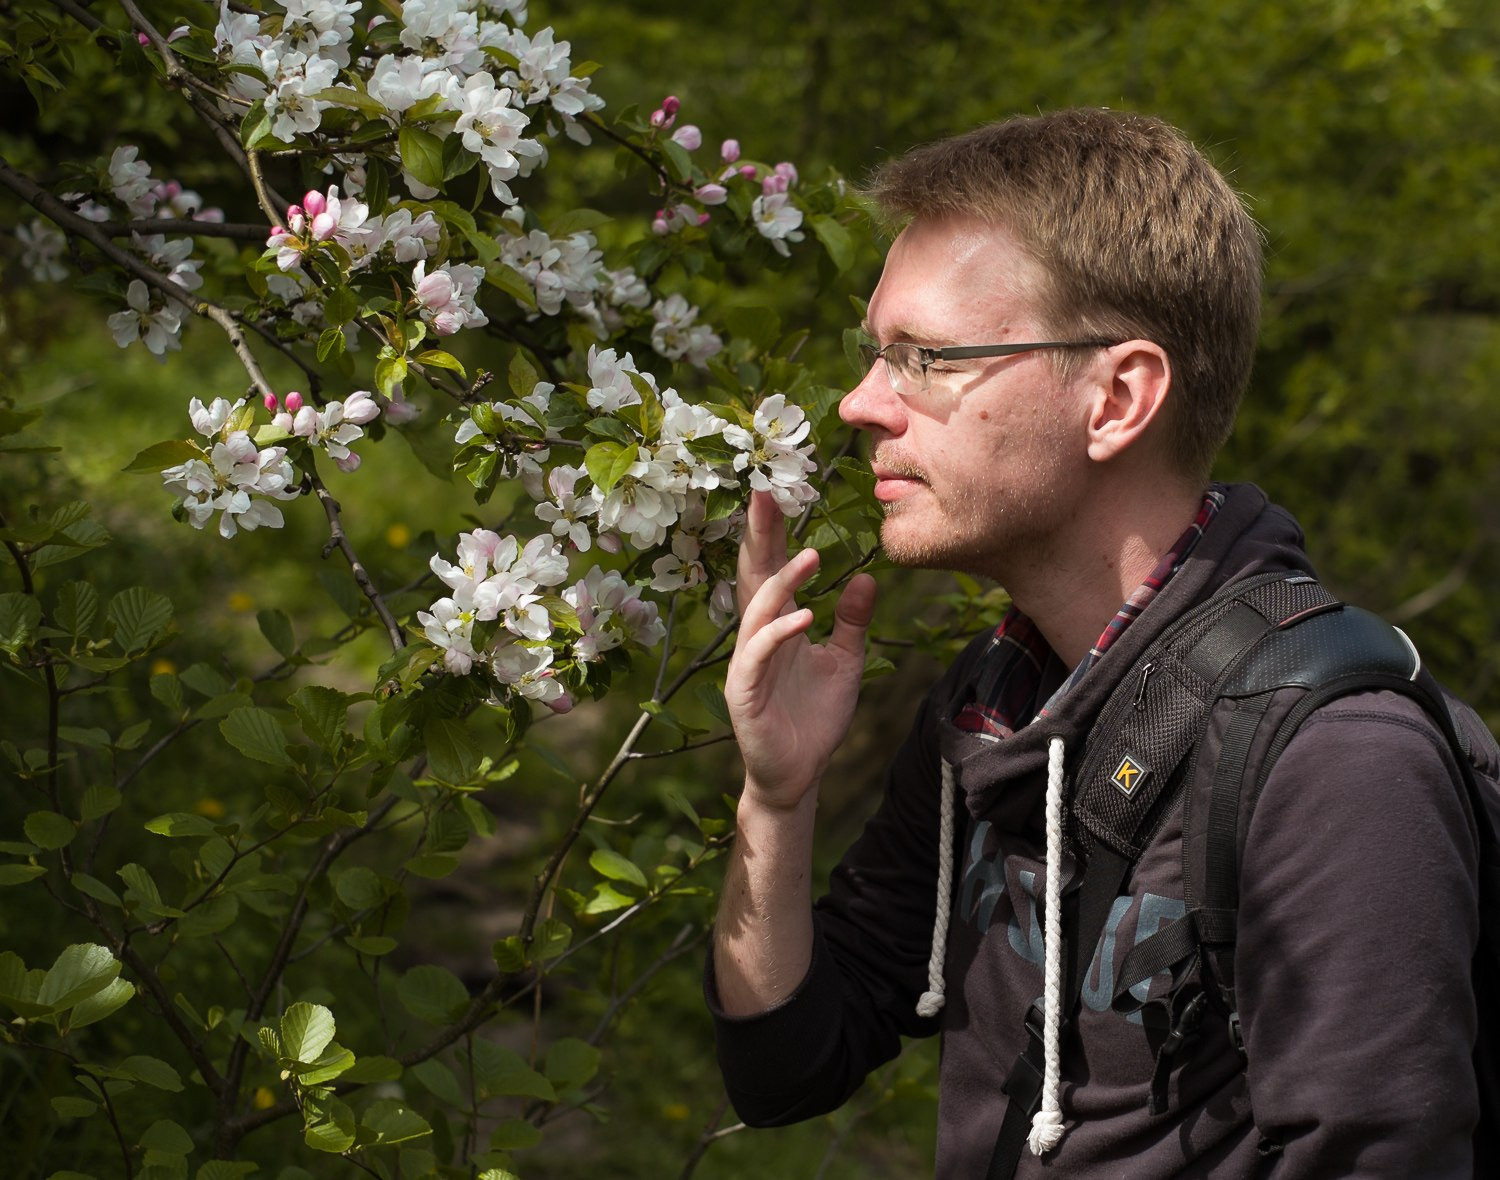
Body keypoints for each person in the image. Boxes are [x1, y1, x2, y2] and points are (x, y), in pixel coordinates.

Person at [705, 108, 1497, 1178]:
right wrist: (777, 796)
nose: (860, 405)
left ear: (1117, 397)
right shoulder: (999, 705)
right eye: (873, 357)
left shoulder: (1336, 760)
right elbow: (787, 1066)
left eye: (923, 357)